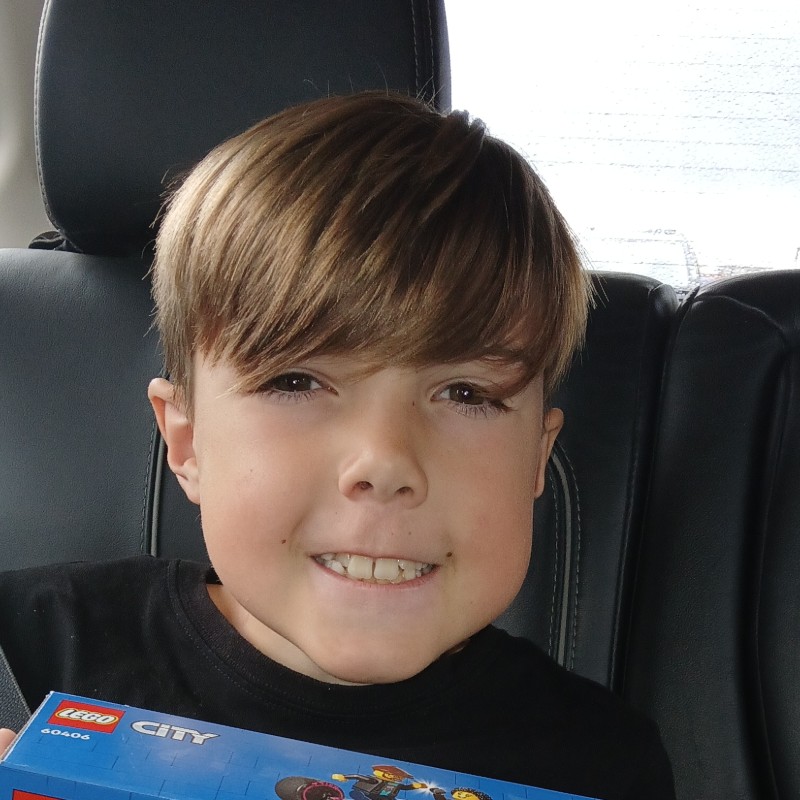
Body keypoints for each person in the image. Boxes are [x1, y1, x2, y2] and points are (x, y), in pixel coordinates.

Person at [0, 92, 675, 799]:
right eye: (296, 381)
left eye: (466, 393)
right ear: (188, 443)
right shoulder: (23, 656)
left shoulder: (604, 764)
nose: (384, 461)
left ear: (537, 457)